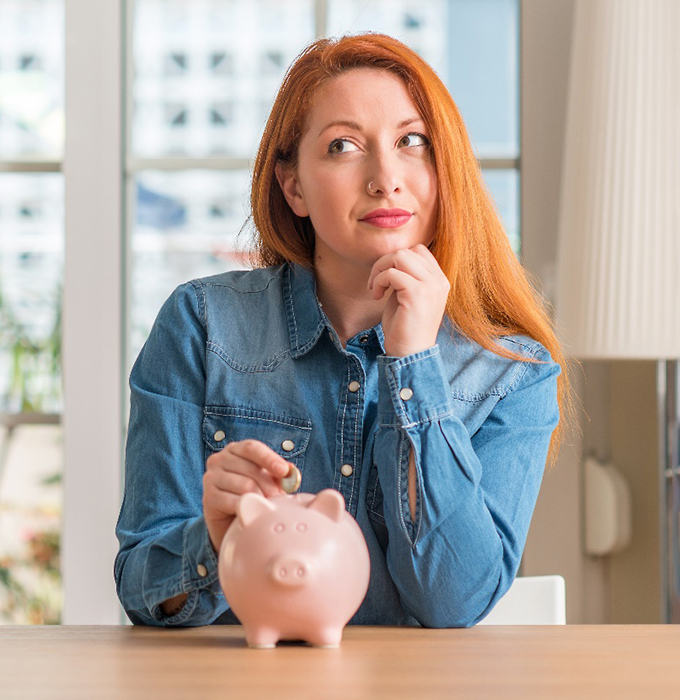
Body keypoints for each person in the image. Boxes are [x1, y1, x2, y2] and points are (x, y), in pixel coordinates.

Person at [114, 33, 571, 628]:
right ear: (293, 186)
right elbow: (142, 588)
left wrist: (414, 366)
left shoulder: (512, 371)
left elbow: (454, 603)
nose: (386, 178)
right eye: (343, 146)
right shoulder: (201, 325)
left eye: (413, 142)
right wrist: (214, 542)